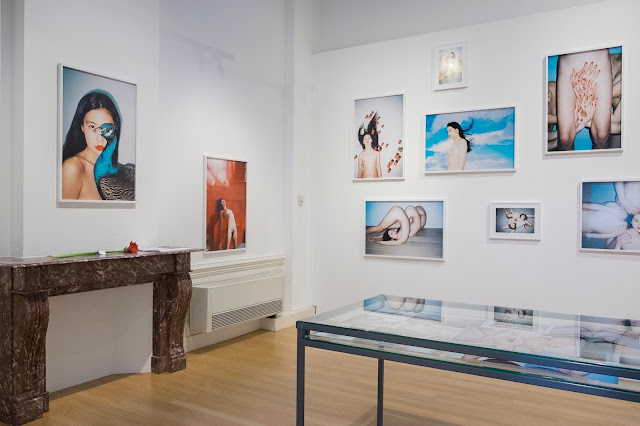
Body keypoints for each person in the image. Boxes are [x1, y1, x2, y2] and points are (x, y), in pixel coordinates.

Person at [61, 91, 121, 200]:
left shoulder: (118, 171)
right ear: (82, 127)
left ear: (115, 128)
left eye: (107, 129)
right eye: (92, 126)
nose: (100, 138)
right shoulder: (72, 168)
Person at [555, 49, 613, 150]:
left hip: (598, 61)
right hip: (568, 65)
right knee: (565, 138)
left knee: (602, 135)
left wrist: (586, 97)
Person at [357, 112, 382, 178]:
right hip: (364, 180)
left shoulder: (376, 153)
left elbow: (378, 168)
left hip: (375, 179)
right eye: (365, 139)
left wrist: (380, 181)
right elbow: (360, 170)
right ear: (363, 141)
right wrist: (359, 182)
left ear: (371, 140)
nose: (367, 140)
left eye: (369, 138)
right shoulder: (361, 155)